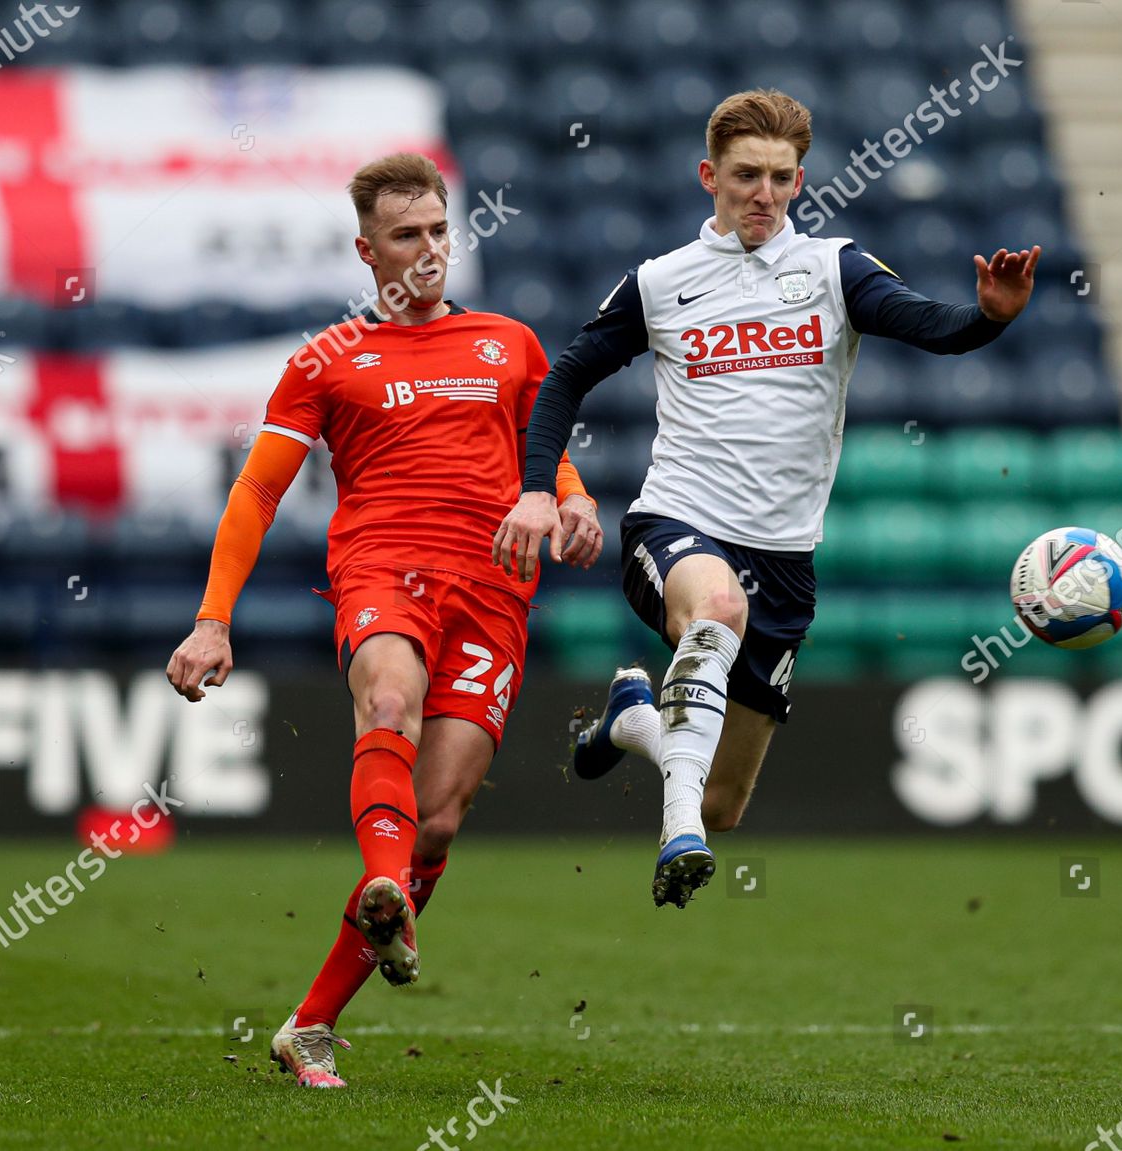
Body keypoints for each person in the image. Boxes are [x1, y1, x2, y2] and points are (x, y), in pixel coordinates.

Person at [493, 89, 1038, 909]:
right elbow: (567, 374)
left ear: (800, 179)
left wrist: (987, 319)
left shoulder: (833, 268)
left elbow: (927, 323)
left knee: (726, 802)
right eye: (747, 175)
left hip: (783, 562)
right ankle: (676, 835)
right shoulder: (662, 282)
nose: (765, 194)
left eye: (782, 177)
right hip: (677, 524)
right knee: (715, 608)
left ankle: (636, 722)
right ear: (709, 175)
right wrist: (538, 490)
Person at [166, 153, 601, 1086]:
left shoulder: (508, 343)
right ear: (367, 250)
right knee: (390, 702)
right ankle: (382, 886)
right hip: (383, 570)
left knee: (437, 821)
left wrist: (572, 496)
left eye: (441, 230)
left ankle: (311, 1021)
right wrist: (212, 621)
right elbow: (256, 494)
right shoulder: (326, 362)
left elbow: (544, 449)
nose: (431, 249)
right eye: (408, 235)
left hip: (494, 590)